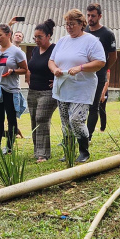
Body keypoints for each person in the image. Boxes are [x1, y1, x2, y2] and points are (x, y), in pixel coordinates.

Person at [49, 9, 107, 163]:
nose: (69, 27)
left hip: (82, 87)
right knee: (65, 121)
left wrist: (81, 68)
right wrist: (55, 69)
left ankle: (84, 151)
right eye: (67, 24)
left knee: (76, 119)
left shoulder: (92, 41)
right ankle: (68, 151)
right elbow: (51, 60)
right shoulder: (62, 41)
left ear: (82, 24)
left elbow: (100, 62)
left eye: (72, 24)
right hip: (63, 86)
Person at [0, 24, 27, 154]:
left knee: (11, 119)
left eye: (0, 35)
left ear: (9, 35)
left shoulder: (16, 52)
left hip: (11, 89)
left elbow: (25, 69)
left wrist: (13, 71)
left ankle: (9, 147)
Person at [85, 3, 118, 141]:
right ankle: (78, 134)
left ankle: (88, 136)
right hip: (83, 73)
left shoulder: (107, 34)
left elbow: (113, 56)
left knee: (94, 106)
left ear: (100, 16)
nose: (90, 18)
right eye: (88, 15)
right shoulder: (84, 30)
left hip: (98, 75)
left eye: (93, 16)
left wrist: (102, 68)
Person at [27, 19, 58, 161]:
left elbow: (62, 66)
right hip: (32, 90)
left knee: (41, 118)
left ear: (48, 36)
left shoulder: (55, 49)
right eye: (35, 37)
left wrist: (57, 80)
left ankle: (43, 154)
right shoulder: (34, 50)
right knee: (34, 119)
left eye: (40, 37)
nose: (37, 40)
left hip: (48, 92)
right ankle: (37, 150)